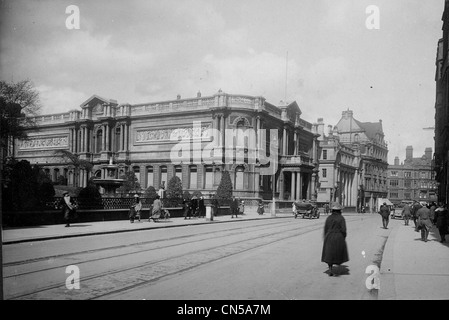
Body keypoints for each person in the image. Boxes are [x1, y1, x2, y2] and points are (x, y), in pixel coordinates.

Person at [321, 202, 349, 276]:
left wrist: (325, 237)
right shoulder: (341, 218)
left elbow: (326, 229)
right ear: (339, 210)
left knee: (329, 253)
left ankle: (330, 269)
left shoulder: (329, 218)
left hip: (329, 236)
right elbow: (344, 230)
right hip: (339, 236)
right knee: (339, 252)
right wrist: (343, 237)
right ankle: (339, 270)